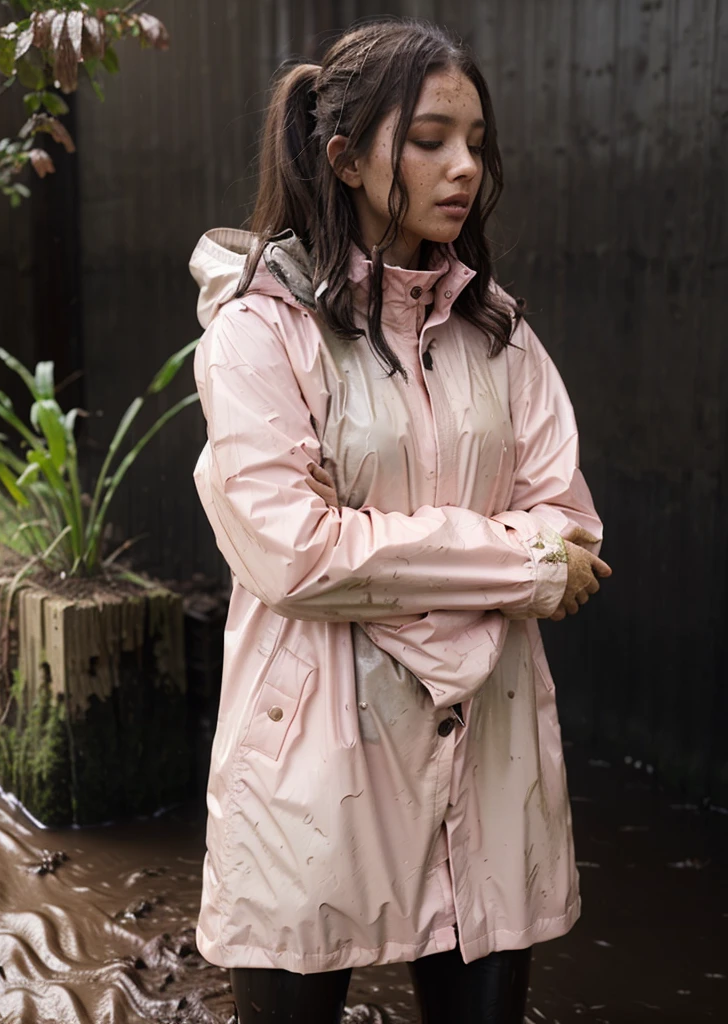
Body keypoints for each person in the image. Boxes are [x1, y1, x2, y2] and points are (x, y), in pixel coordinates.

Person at [189, 18, 612, 1024]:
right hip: (313, 761)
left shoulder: (500, 335)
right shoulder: (259, 335)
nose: (464, 166)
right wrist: (517, 565)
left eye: (475, 140)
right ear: (343, 157)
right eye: (429, 139)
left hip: (491, 758)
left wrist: (402, 565)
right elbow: (296, 554)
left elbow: (574, 529)